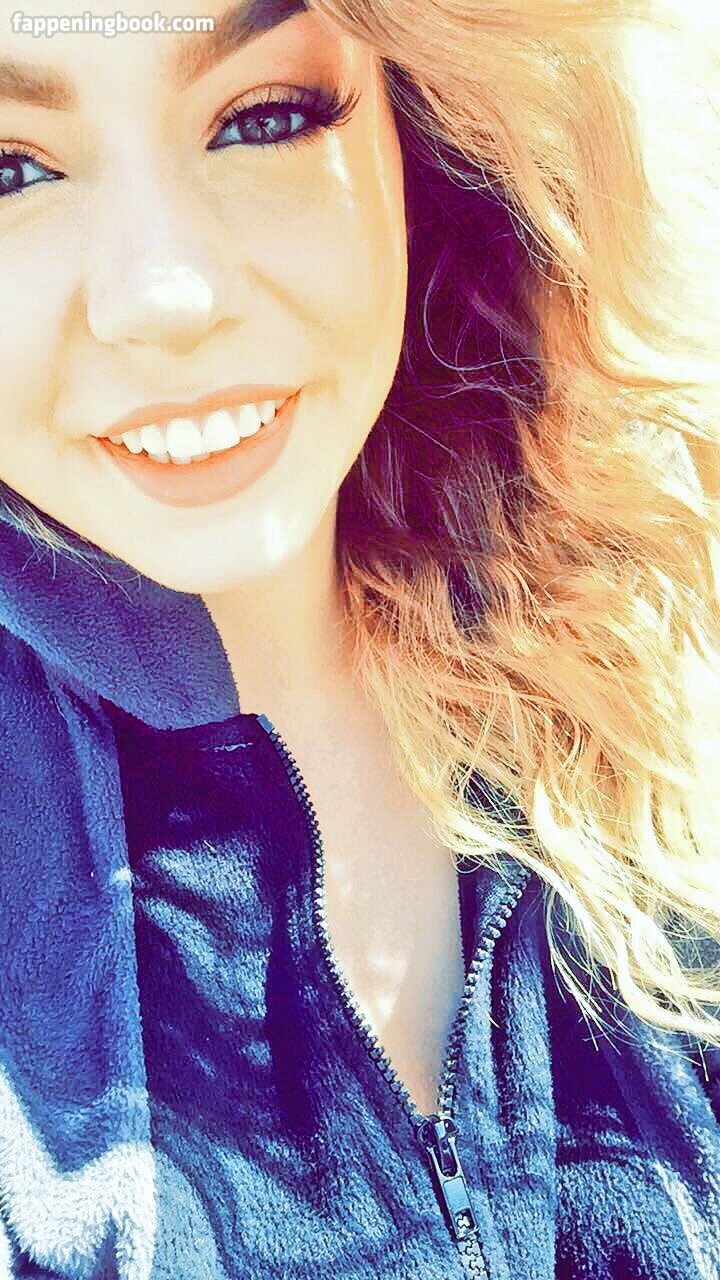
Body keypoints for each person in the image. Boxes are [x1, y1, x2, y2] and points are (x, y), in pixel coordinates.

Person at [0, 0, 718, 1276]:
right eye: (11, 171)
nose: (165, 296)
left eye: (263, 119)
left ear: (421, 126)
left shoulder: (653, 635)